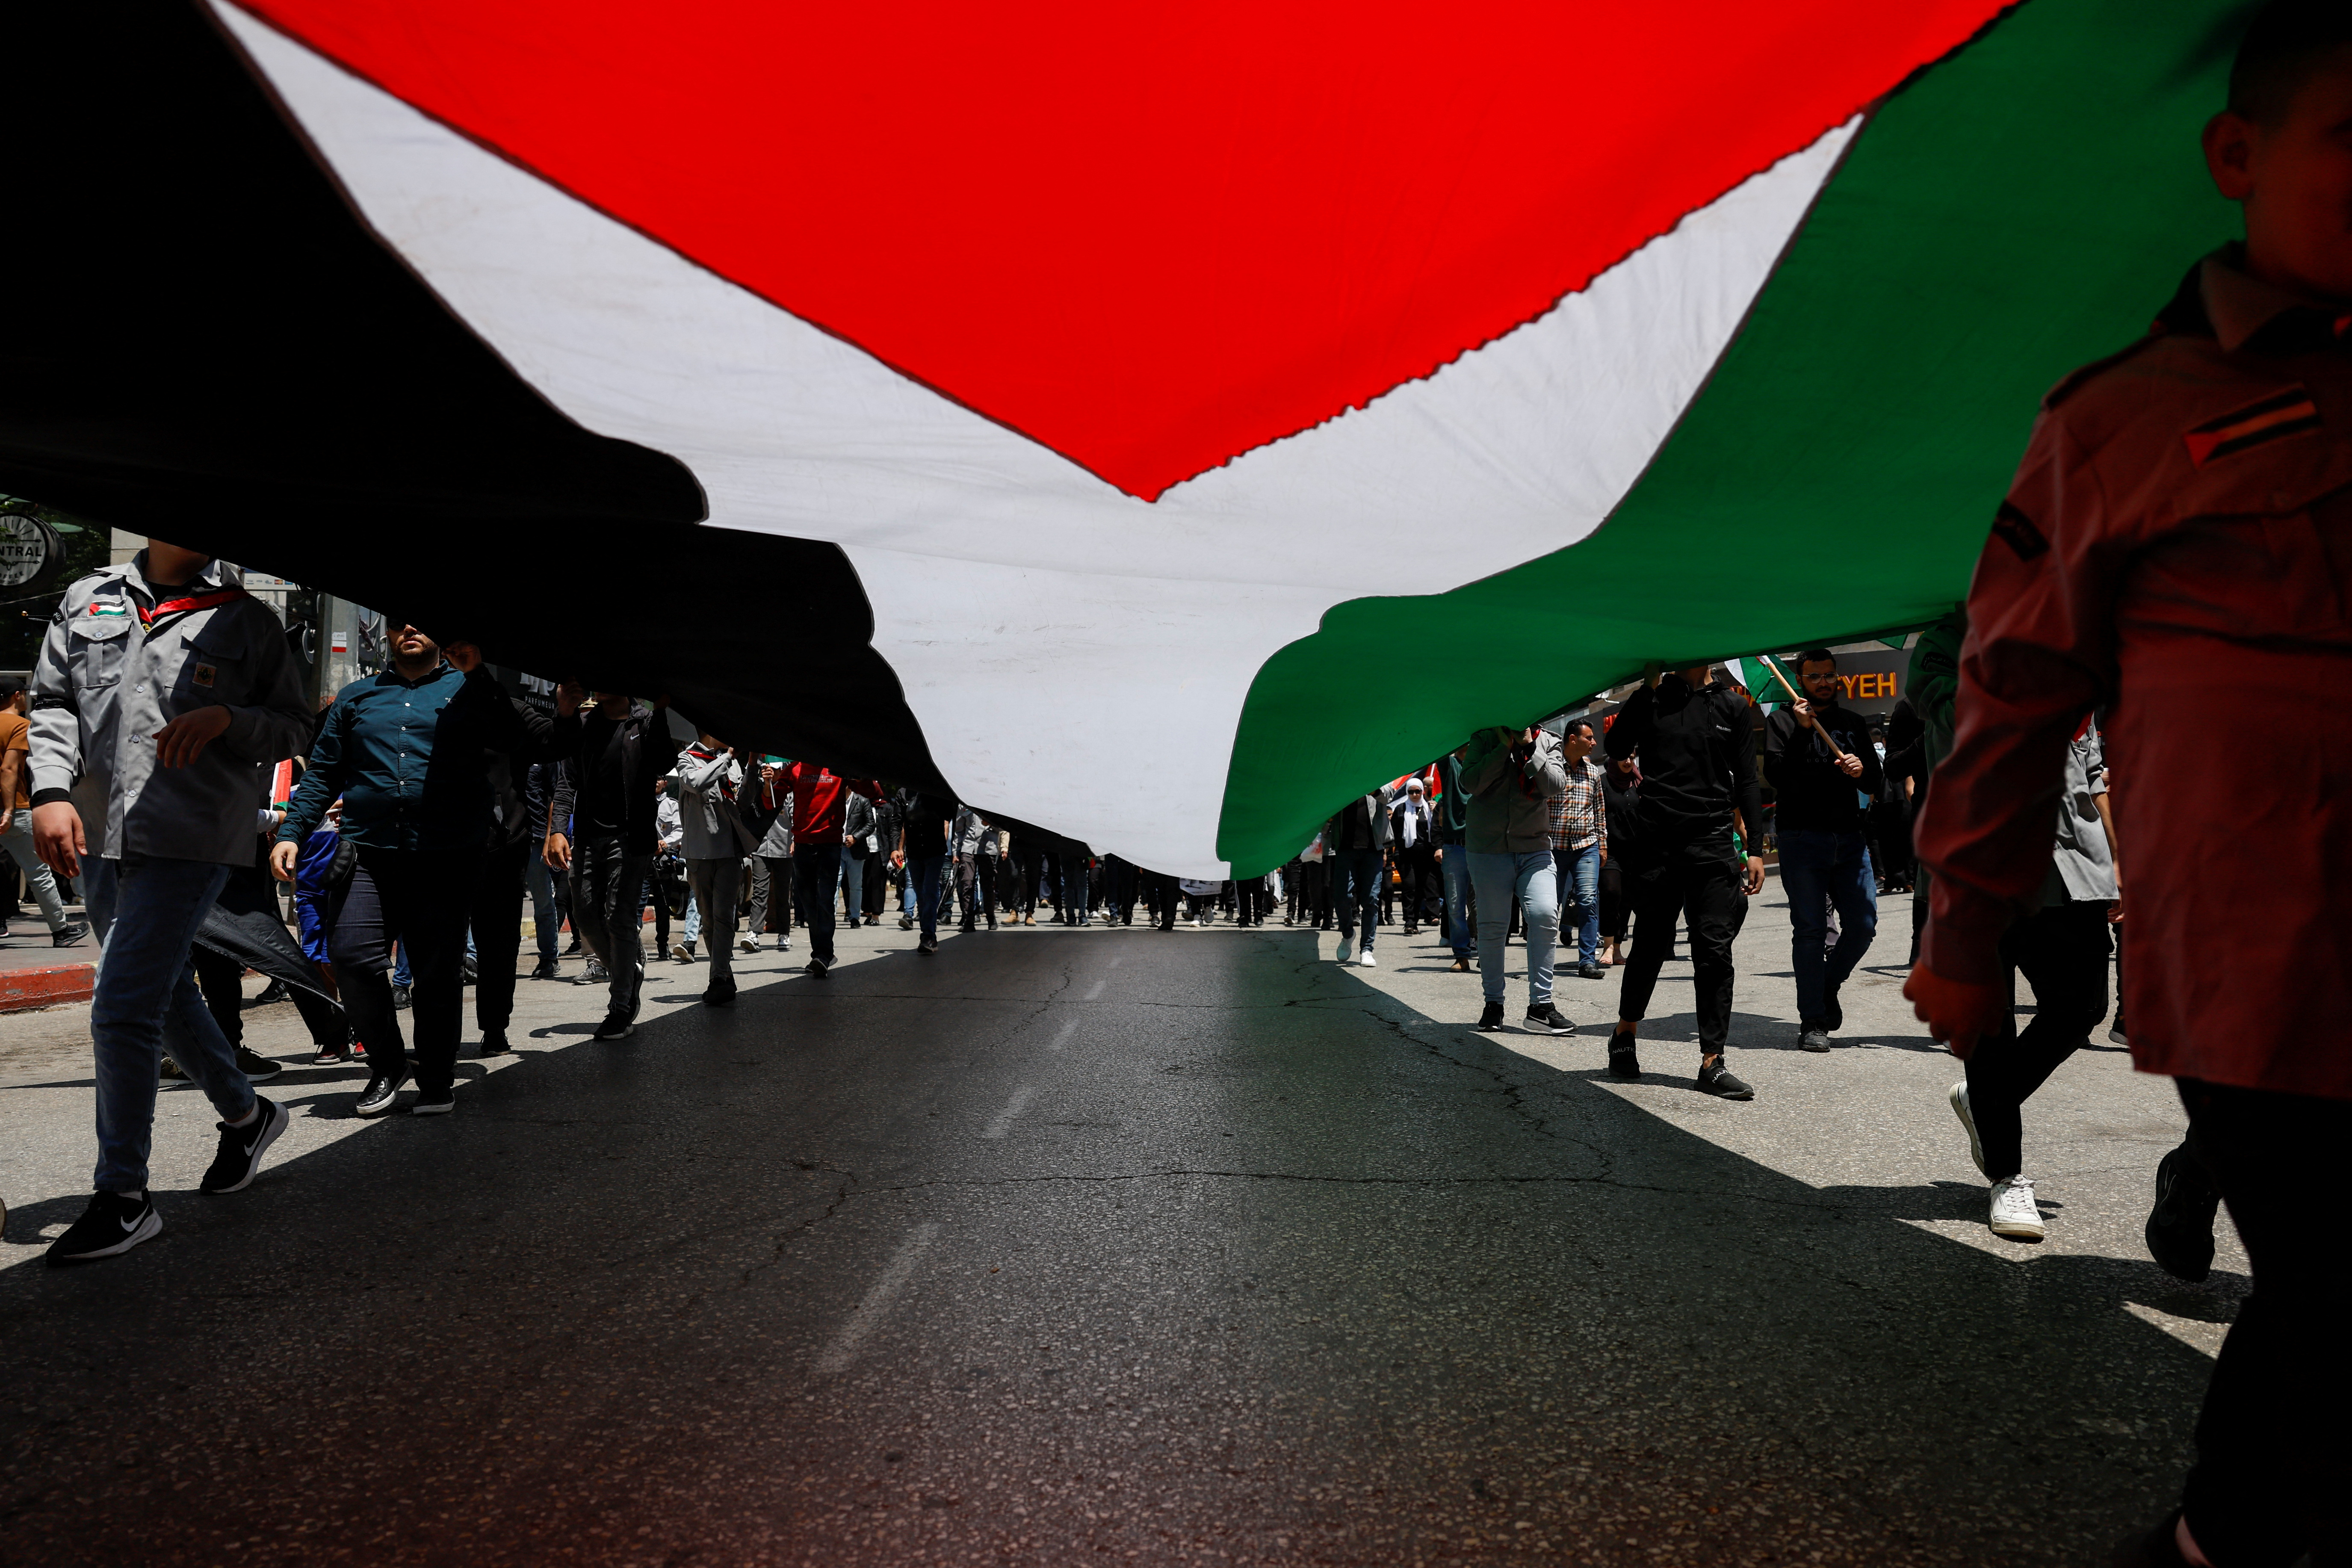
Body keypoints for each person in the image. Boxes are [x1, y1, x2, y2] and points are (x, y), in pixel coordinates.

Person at [1908, 10, 2352, 1559]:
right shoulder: (2121, 419)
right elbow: (2009, 696)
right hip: (2262, 962)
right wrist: (1964, 936)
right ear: (2238, 156)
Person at [30, 540, 312, 1264]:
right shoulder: (87, 598)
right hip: (97, 829)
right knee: (162, 990)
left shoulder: (248, 619)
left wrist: (229, 720)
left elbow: (293, 725)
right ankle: (247, 1114)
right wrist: (51, 790)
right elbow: (54, 700)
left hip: (192, 833)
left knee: (122, 1004)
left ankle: (123, 1195)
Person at [275, 626, 564, 1113]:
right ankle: (389, 1064)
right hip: (368, 852)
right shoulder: (356, 697)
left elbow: (532, 742)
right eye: (397, 622)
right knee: (351, 957)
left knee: (437, 971)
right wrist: (291, 833)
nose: (408, 629)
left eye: (419, 621)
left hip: (446, 856)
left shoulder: (473, 689)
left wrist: (484, 677)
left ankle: (436, 1076)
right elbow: (324, 772)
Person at [1946, 718, 2120, 1243]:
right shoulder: (1957, 669)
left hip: (2074, 863)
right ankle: (2006, 1176)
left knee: (2083, 1006)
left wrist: (2118, 860)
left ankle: (1984, 1101)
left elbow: (2093, 774)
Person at [1604, 665, 1765, 1100]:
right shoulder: (1652, 699)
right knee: (1651, 944)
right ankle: (1625, 1032)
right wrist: (1645, 690)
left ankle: (1712, 1061)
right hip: (1656, 843)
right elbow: (1615, 747)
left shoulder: (1732, 705)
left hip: (1712, 841)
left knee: (1714, 951)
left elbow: (1747, 778)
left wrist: (1755, 848)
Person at [1761, 648, 1883, 1051]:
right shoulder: (1781, 721)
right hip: (1801, 838)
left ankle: (1828, 983)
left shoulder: (1852, 723)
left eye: (1829, 675)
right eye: (1815, 676)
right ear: (1800, 680)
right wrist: (1801, 731)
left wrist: (1862, 771)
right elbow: (1777, 776)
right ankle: (1813, 1020)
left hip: (1849, 837)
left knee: (1863, 924)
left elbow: (1875, 783)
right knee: (1811, 931)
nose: (1824, 683)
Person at [545, 691, 661, 1036]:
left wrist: (662, 714)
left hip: (630, 838)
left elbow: (665, 761)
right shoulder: (583, 726)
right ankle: (629, 969)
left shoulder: (644, 722)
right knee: (583, 914)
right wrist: (557, 829)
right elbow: (567, 783)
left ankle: (620, 1006)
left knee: (619, 917)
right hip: (587, 837)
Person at [1460, 725, 1570, 1034]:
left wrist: (1529, 748)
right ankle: (1494, 1004)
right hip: (1488, 848)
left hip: (1534, 847)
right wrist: (1502, 749)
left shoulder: (1548, 740)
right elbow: (1471, 783)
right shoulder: (1483, 738)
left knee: (1545, 913)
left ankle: (1541, 1007)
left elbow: (1555, 785)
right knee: (1493, 926)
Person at [0, 675, 87, 948]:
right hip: (15, 811)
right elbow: (9, 768)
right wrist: (9, 810)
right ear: (17, 696)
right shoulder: (20, 725)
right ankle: (61, 931)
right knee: (39, 874)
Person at [776, 758, 881, 976]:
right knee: (809, 904)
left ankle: (823, 955)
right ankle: (821, 954)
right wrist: (768, 781)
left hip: (830, 846)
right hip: (803, 845)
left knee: (825, 900)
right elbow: (771, 800)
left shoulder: (838, 766)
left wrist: (859, 774)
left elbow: (873, 792)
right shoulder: (795, 768)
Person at [674, 733, 751, 1006]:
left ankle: (718, 977)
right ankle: (724, 975)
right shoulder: (687, 758)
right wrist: (727, 758)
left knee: (724, 918)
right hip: (699, 853)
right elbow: (695, 783)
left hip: (729, 852)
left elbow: (743, 802)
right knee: (708, 921)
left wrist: (752, 765)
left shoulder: (733, 762)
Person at [1547, 718, 1607, 980]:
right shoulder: (1551, 769)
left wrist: (1602, 846)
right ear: (1573, 739)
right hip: (1553, 848)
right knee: (1549, 905)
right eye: (1589, 738)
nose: (1594, 742)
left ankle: (1587, 962)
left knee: (1588, 900)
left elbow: (1600, 812)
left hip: (1587, 847)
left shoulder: (1593, 772)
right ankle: (1543, 960)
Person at [1322, 780, 1400, 967]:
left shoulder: (1377, 775)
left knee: (1371, 900)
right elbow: (1323, 809)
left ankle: (1367, 949)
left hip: (1373, 849)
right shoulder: (1340, 781)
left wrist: (1373, 788)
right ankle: (1348, 934)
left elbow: (1389, 794)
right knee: (1342, 896)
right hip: (1345, 849)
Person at [743, 759, 794, 954]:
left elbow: (795, 817)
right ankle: (753, 933)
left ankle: (784, 933)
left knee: (782, 893)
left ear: (782, 771)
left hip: (784, 849)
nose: (771, 772)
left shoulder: (788, 792)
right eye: (767, 769)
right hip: (761, 847)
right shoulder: (757, 789)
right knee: (760, 892)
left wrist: (795, 840)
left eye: (775, 769)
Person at [895, 787, 954, 952]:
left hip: (935, 851)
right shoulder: (903, 793)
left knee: (930, 890)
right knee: (921, 894)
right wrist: (897, 848)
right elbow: (898, 822)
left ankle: (928, 936)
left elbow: (948, 814)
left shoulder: (936, 790)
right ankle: (927, 934)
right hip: (914, 852)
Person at [1597, 750, 1640, 967]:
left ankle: (1618, 946)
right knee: (1611, 892)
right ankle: (1608, 945)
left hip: (1634, 852)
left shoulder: (1638, 783)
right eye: (1624, 757)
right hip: (1609, 850)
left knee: (1627, 900)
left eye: (1632, 757)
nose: (1629, 761)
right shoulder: (1602, 783)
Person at [1389, 778, 1438, 938]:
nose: (1415, 795)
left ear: (1423, 791)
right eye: (1411, 792)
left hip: (1425, 856)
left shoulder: (1429, 808)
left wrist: (1435, 812)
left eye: (1418, 791)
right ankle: (1409, 922)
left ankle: (1415, 921)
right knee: (1409, 887)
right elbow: (1394, 832)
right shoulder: (1401, 809)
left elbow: (1437, 828)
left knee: (1420, 889)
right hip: (1406, 855)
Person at [954, 804, 1001, 932]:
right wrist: (956, 852)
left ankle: (991, 917)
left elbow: (1002, 826)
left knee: (988, 886)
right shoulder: (963, 804)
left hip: (988, 849)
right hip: (968, 848)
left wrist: (991, 823)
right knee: (967, 884)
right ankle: (969, 920)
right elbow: (959, 830)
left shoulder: (991, 802)